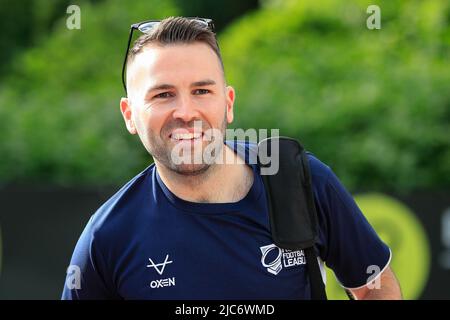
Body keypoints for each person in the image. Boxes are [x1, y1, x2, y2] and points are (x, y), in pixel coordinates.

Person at [62, 16, 402, 300]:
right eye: (163, 94)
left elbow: (376, 288)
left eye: (201, 91)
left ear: (228, 103)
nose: (185, 111)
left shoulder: (298, 181)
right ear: (129, 115)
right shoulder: (106, 237)